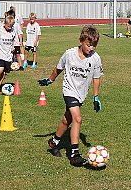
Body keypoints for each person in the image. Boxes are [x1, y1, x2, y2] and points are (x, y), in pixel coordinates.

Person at [38, 26, 103, 167]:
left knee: (67, 119)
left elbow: (96, 78)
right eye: (89, 45)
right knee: (77, 119)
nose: (91, 48)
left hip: (81, 94)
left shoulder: (96, 59)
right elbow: (59, 68)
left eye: (94, 46)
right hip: (69, 90)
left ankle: (54, 142)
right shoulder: (69, 54)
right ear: (81, 41)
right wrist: (50, 80)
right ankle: (74, 154)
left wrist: (95, 97)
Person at [0, 15, 19, 94]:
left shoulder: (13, 31)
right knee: (0, 68)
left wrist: (13, 47)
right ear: (5, 23)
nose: (10, 28)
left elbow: (14, 41)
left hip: (8, 55)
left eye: (11, 26)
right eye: (8, 26)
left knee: (4, 72)